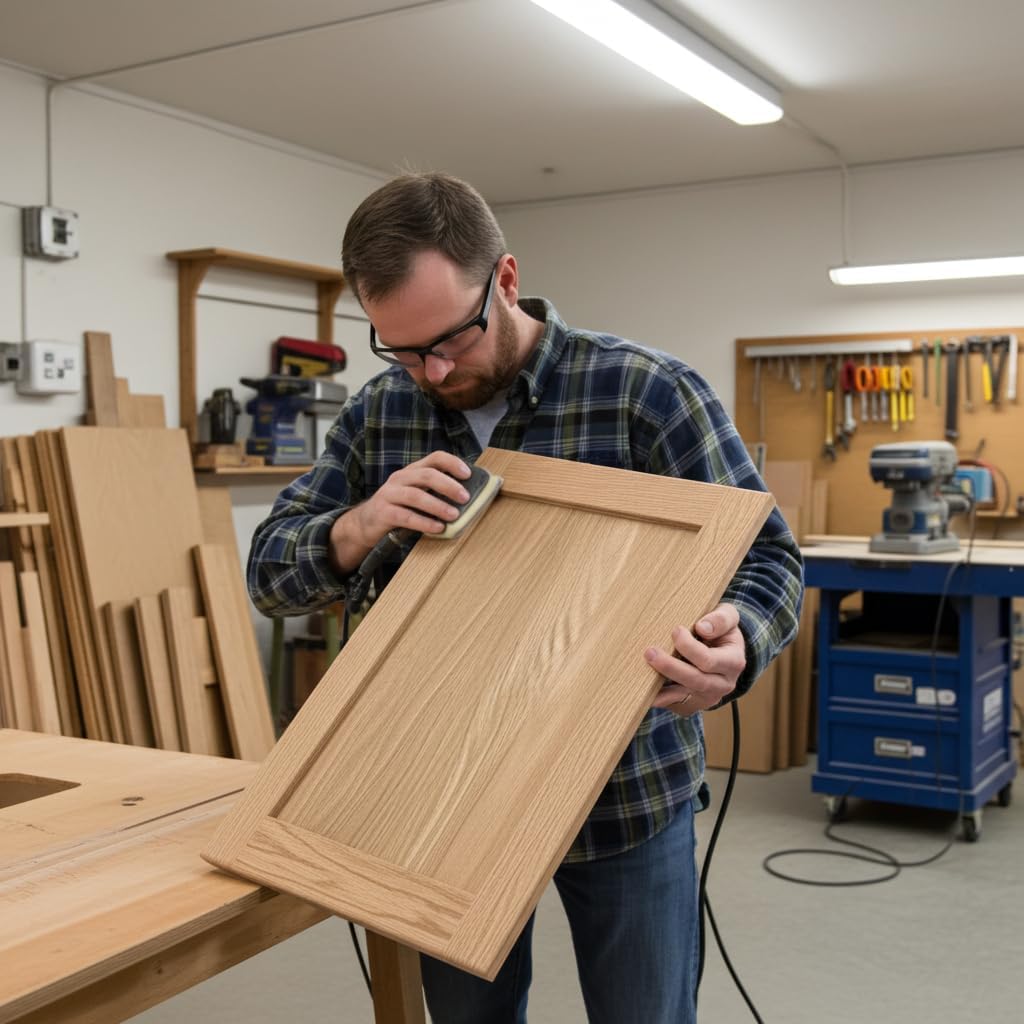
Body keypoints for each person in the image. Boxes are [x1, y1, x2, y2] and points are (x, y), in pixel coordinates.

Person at [248, 172, 803, 1024]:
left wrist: (740, 645)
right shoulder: (381, 412)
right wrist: (360, 524)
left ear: (505, 280)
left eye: (451, 339)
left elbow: (770, 562)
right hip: (441, 800)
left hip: (626, 793)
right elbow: (270, 575)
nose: (433, 370)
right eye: (402, 349)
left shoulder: (646, 393)